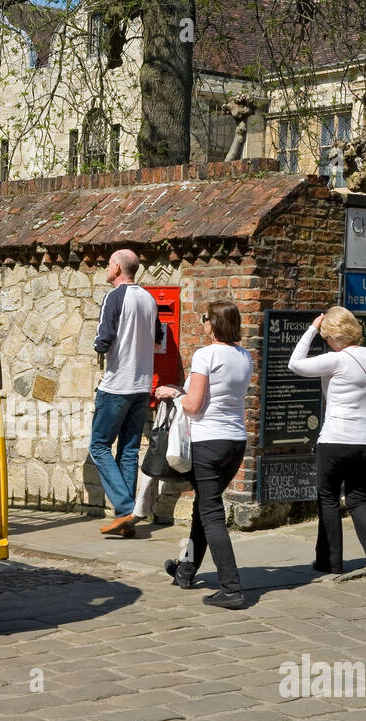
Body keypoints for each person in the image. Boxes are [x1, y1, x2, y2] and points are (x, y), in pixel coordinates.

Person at [289, 305, 366, 587]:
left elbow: (295, 363)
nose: (326, 342)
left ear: (334, 337)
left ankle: (330, 561)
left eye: (327, 337)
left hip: (337, 439)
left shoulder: (336, 360)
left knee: (327, 497)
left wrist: (312, 328)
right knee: (358, 499)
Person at [155, 301, 254, 609]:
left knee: (212, 515)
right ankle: (185, 570)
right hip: (235, 442)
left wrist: (174, 394)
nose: (203, 324)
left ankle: (231, 589)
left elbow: (194, 405)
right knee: (204, 507)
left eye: (206, 319)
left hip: (208, 441)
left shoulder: (205, 355)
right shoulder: (243, 356)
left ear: (213, 324)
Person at [89, 248, 158, 536]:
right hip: (142, 386)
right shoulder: (149, 298)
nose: (106, 268)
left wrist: (98, 350)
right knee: (128, 451)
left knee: (99, 446)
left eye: (108, 264)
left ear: (117, 268)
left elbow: (103, 339)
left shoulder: (114, 297)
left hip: (117, 385)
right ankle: (124, 520)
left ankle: (125, 506)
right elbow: (160, 337)